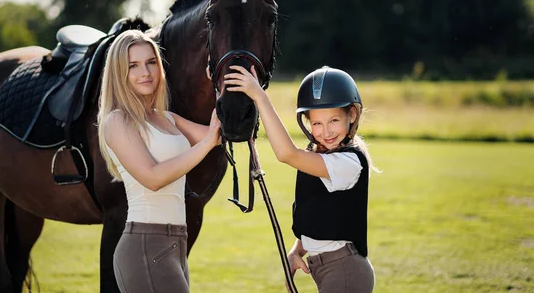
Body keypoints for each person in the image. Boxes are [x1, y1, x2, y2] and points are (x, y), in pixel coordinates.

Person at [224, 65, 377, 293]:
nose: (326, 132)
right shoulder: (321, 155)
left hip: (345, 270)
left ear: (351, 115)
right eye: (317, 123)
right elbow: (320, 215)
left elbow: (287, 154)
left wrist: (260, 97)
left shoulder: (348, 163)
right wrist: (297, 251)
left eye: (334, 120)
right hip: (329, 268)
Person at [97, 29, 221, 293]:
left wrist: (220, 85)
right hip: (145, 245)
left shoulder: (167, 118)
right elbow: (153, 177)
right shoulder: (118, 121)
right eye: (134, 65)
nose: (146, 72)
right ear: (119, 73)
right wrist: (206, 143)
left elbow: (221, 134)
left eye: (151, 62)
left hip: (176, 244)